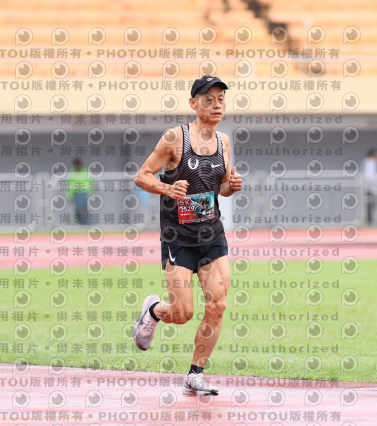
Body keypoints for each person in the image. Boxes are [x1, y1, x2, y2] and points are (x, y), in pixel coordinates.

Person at [132, 75, 242, 396]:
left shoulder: (224, 142)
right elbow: (142, 176)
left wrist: (231, 187)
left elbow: (221, 188)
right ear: (194, 103)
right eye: (209, 99)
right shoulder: (174, 138)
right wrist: (168, 188)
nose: (217, 105)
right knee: (182, 314)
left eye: (221, 99)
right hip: (178, 237)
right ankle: (154, 310)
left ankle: (196, 373)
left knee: (218, 304)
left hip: (212, 236)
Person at [67, 158, 93, 225]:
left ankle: (87, 224)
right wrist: (69, 195)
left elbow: (91, 182)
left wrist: (93, 193)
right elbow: (70, 185)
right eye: (77, 164)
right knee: (77, 210)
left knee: (85, 209)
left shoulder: (85, 172)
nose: (78, 166)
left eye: (79, 164)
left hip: (84, 193)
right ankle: (79, 224)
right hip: (76, 193)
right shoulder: (72, 173)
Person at [361, 148, 377, 225]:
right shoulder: (370, 162)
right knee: (370, 205)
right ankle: (369, 222)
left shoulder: (366, 162)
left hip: (368, 187)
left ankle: (369, 221)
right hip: (370, 188)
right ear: (373, 155)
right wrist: (373, 186)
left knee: (370, 205)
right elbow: (369, 176)